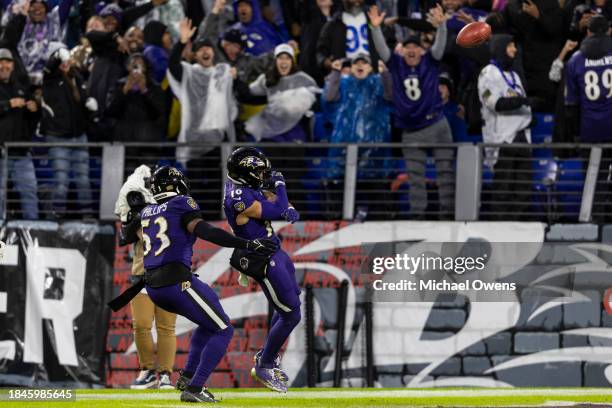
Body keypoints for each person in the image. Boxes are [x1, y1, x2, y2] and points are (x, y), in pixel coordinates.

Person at [123, 165, 278, 402]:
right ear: (175, 185)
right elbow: (204, 230)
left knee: (209, 319)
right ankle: (195, 388)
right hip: (175, 281)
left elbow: (125, 235)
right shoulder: (181, 203)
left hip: (154, 285)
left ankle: (186, 376)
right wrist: (246, 244)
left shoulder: (147, 211)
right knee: (224, 329)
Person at [223, 147, 300, 393]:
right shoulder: (238, 197)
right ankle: (265, 364)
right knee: (291, 314)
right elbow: (278, 210)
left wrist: (281, 199)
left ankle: (267, 354)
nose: (262, 175)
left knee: (290, 303)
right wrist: (281, 187)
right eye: (258, 171)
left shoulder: (245, 187)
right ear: (245, 172)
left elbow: (275, 203)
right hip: (262, 257)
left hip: (274, 249)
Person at [369, 4, 454, 219]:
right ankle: (417, 217)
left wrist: (442, 26)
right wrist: (376, 29)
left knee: (445, 173)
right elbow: (381, 50)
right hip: (411, 130)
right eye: (407, 47)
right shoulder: (396, 64)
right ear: (402, 50)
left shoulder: (431, 61)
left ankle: (448, 215)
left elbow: (440, 46)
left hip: (436, 124)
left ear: (422, 50)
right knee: (415, 178)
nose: (412, 50)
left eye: (415, 47)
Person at [114, 165, 177, 390]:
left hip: (169, 272)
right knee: (141, 325)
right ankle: (148, 370)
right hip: (143, 272)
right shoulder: (146, 208)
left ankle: (166, 374)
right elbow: (126, 235)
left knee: (166, 327)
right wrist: (135, 215)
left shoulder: (177, 209)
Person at [168, 18, 237, 214]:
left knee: (218, 185)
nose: (206, 51)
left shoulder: (222, 73)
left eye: (209, 48)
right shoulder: (188, 73)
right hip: (194, 139)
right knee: (195, 186)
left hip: (216, 140)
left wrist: (234, 77)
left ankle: (216, 224)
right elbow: (173, 64)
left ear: (213, 52)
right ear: (195, 55)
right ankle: (197, 223)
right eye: (201, 49)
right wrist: (181, 42)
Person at [323, 54, 393, 218]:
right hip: (344, 153)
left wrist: (385, 74)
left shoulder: (378, 82)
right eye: (357, 63)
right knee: (341, 201)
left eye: (364, 63)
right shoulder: (344, 82)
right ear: (352, 67)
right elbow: (329, 97)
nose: (360, 66)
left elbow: (391, 95)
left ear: (370, 68)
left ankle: (377, 234)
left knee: (376, 203)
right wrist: (335, 72)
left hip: (374, 154)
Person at [478, 34, 533, 219]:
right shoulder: (488, 73)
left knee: (523, 189)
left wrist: (530, 111)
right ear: (501, 48)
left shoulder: (514, 75)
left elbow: (522, 104)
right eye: (510, 46)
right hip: (502, 139)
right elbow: (496, 104)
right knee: (503, 188)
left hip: (522, 137)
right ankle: (501, 230)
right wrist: (524, 101)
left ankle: (519, 229)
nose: (514, 50)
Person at [40, 45, 96, 219]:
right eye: (61, 61)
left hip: (79, 136)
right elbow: (49, 66)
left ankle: (88, 216)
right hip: (58, 138)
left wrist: (90, 106)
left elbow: (82, 104)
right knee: (62, 181)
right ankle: (57, 215)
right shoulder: (50, 78)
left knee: (83, 180)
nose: (64, 64)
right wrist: (58, 55)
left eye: (66, 60)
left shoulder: (77, 77)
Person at [565, 15, 612, 220]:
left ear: (588, 32)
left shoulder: (575, 59)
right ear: (608, 31)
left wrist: (575, 133)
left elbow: (571, 103)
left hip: (589, 129)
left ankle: (594, 222)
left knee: (593, 179)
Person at [242, 43, 318, 143]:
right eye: (280, 58)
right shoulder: (267, 78)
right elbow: (250, 92)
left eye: (287, 58)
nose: (284, 61)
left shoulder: (303, 79)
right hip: (272, 131)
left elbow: (314, 98)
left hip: (295, 129)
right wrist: (236, 82)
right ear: (275, 61)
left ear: (292, 61)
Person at [0, 48, 39, 220]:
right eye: (1, 62)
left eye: (8, 62)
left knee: (29, 191)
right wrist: (8, 104)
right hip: (0, 151)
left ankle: (34, 230)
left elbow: (33, 118)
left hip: (21, 151)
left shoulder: (22, 87)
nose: (4, 65)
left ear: (13, 65)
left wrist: (34, 109)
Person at [316, 0, 382, 73]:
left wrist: (381, 62)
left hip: (372, 74)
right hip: (345, 75)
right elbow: (320, 53)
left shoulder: (373, 17)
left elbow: (387, 45)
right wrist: (330, 64)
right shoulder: (333, 23)